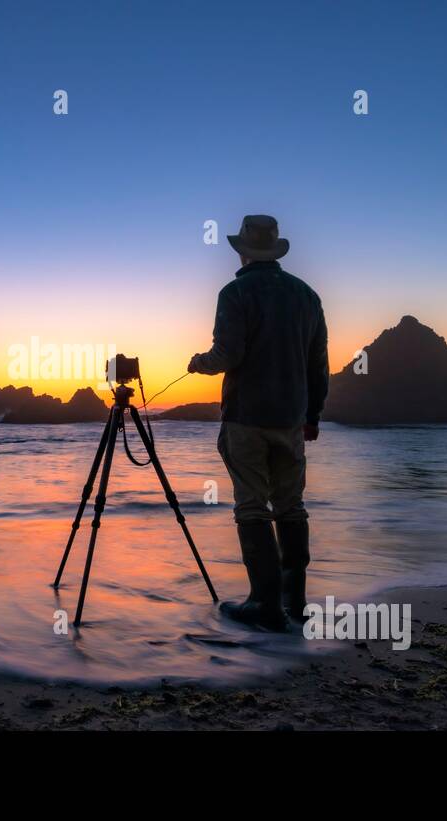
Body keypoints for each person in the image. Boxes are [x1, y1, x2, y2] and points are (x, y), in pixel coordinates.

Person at [188, 215, 328, 630]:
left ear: (242, 251)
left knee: (251, 506)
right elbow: (317, 364)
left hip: (247, 417)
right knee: (291, 506)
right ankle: (295, 603)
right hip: (291, 418)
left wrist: (199, 364)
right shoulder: (307, 296)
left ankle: (264, 605)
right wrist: (313, 415)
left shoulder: (235, 292)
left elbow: (227, 354)